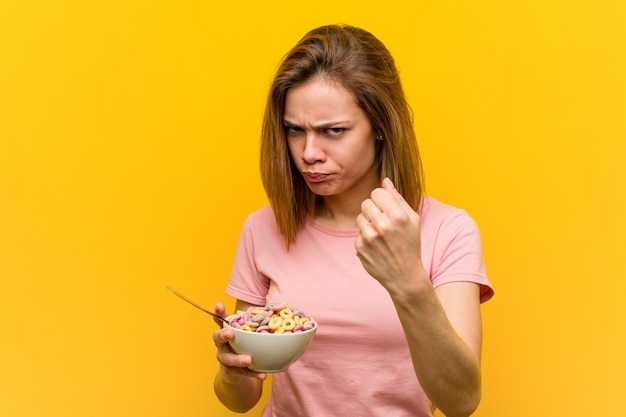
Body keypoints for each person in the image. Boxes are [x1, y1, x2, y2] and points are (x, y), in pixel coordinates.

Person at [212, 24, 494, 417]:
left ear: (380, 125)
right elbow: (241, 399)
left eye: (333, 131)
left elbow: (461, 401)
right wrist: (231, 370)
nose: (309, 152)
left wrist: (408, 279)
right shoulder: (263, 229)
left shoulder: (448, 231)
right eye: (294, 130)